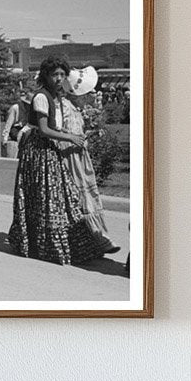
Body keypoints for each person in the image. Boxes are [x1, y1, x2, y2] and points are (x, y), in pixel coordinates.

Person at [7, 56, 102, 265]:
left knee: (59, 196)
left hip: (50, 150)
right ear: (46, 76)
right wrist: (70, 137)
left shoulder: (53, 97)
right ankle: (42, 244)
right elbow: (44, 129)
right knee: (46, 197)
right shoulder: (41, 97)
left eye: (62, 75)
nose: (59, 79)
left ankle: (63, 243)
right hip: (39, 151)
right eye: (55, 75)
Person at [61, 85, 120, 256]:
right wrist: (74, 139)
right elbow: (63, 131)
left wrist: (90, 133)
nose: (86, 98)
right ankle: (96, 238)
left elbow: (77, 131)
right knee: (80, 197)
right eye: (84, 95)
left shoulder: (76, 109)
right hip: (70, 156)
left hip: (79, 156)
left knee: (88, 195)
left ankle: (95, 238)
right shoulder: (65, 107)